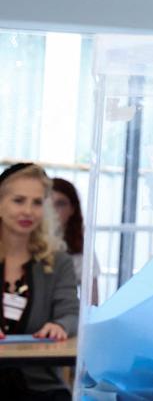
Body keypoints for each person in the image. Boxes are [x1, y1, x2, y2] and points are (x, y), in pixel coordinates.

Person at [0, 163, 79, 401]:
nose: (28, 211)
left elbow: (71, 313)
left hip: (39, 386)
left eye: (37, 203)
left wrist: (61, 326)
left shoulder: (59, 262)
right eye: (18, 200)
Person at [49, 178, 98, 306]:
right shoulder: (23, 241)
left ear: (72, 209)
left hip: (63, 318)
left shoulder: (82, 249)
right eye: (47, 203)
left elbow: (91, 303)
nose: (52, 210)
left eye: (60, 204)